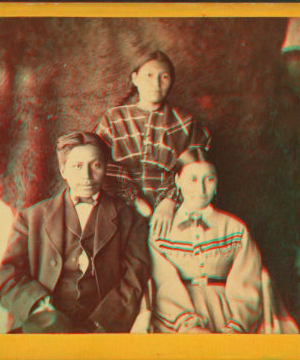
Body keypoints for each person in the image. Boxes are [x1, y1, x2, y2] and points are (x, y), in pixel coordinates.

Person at [0, 132, 150, 333]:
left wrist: (103, 322)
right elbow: (8, 275)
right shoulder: (31, 218)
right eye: (77, 166)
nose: (87, 176)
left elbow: (135, 278)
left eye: (95, 165)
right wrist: (39, 306)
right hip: (46, 323)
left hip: (102, 326)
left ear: (106, 168)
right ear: (63, 170)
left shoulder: (130, 219)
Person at [149, 149, 299, 333]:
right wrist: (188, 325)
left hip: (227, 314)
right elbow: (163, 283)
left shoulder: (235, 228)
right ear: (177, 181)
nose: (201, 189)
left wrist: (236, 325)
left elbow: (248, 282)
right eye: (193, 179)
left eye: (209, 179)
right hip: (174, 319)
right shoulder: (161, 230)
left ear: (217, 181)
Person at [94, 50, 211, 238]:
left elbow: (196, 171)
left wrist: (169, 201)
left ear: (172, 81)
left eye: (164, 77)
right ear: (135, 78)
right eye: (149, 75)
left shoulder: (186, 123)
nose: (156, 83)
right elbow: (102, 166)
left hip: (175, 209)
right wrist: (135, 200)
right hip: (120, 205)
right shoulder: (114, 119)